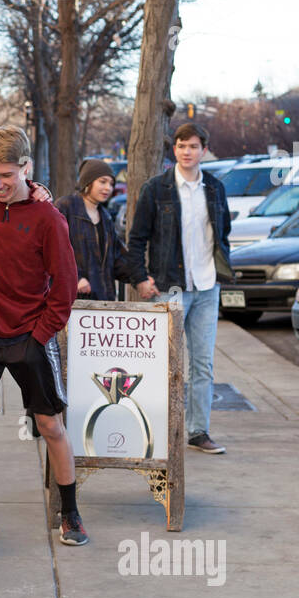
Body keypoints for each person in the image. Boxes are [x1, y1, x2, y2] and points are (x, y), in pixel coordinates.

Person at [0, 125, 84, 552]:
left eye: (7, 175)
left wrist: (38, 337)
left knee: (49, 426)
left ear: (26, 167)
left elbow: (64, 287)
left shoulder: (48, 218)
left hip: (29, 336)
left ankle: (70, 511)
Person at [126, 122, 232, 454]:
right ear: (174, 150)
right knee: (162, 362)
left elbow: (223, 232)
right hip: (168, 287)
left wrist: (220, 270)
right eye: (182, 146)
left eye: (194, 146)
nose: (187, 152)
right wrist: (141, 279)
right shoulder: (156, 189)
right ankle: (155, 428)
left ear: (204, 150)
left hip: (206, 287)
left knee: (202, 363)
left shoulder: (214, 188)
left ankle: (198, 430)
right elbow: (137, 239)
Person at [55, 159, 133, 302]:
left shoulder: (106, 217)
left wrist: (141, 276)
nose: (108, 188)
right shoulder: (66, 207)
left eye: (111, 184)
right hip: (73, 301)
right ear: (88, 181)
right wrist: (76, 278)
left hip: (102, 303)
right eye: (103, 182)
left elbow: (117, 259)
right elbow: (54, 250)